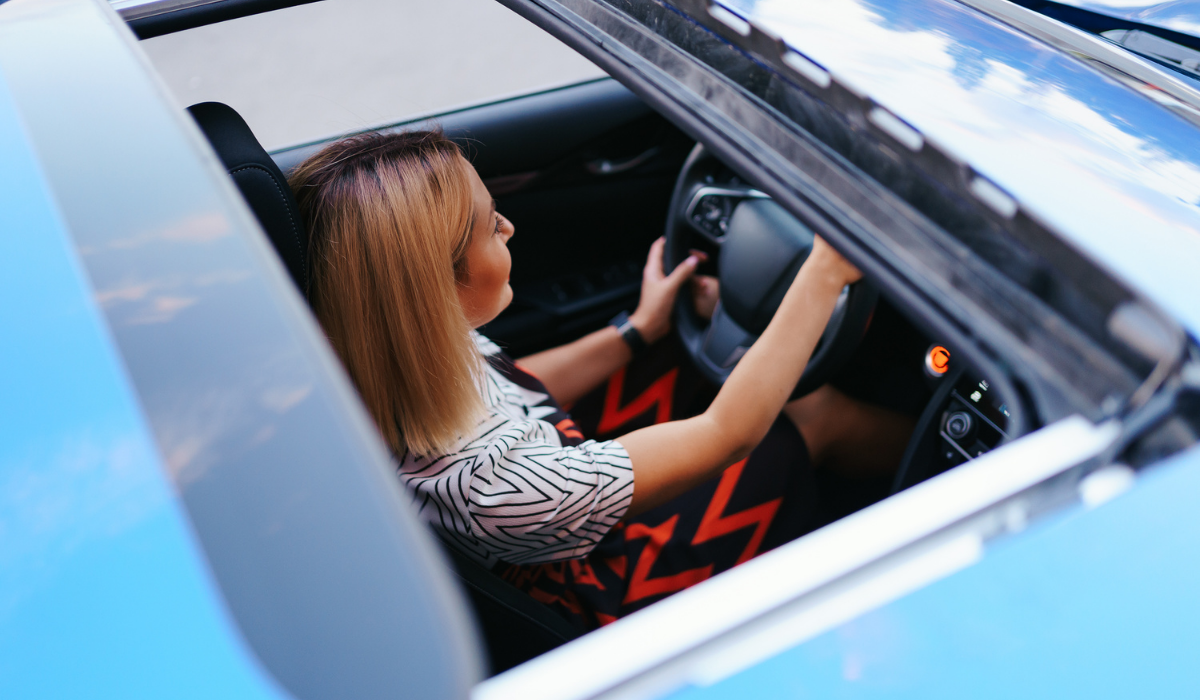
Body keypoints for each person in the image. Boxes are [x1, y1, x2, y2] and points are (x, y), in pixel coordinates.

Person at [290, 129, 911, 629]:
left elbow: (516, 379)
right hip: (611, 586)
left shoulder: (376, 351)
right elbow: (730, 433)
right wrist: (825, 270)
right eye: (489, 225)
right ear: (434, 290)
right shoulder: (495, 488)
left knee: (670, 360)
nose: (509, 227)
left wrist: (637, 330)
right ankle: (949, 467)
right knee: (810, 415)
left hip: (552, 465)